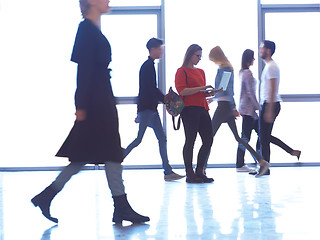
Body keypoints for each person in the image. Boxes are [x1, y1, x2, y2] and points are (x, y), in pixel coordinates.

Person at [31, 0, 149, 224]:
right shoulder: (85, 30)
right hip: (96, 105)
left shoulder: (91, 29)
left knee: (89, 156)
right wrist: (81, 108)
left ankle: (47, 196)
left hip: (100, 101)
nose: (108, 1)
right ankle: (120, 207)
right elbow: (83, 73)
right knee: (108, 154)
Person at [123, 38, 184, 181]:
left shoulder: (149, 66)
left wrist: (162, 99)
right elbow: (149, 89)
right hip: (148, 109)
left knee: (161, 138)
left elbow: (147, 90)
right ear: (153, 49)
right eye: (160, 48)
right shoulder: (147, 67)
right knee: (140, 139)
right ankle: (117, 159)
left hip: (150, 109)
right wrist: (164, 99)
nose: (161, 51)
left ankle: (168, 172)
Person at [207, 46, 269, 177]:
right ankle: (261, 161)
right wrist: (214, 98)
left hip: (223, 107)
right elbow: (224, 91)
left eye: (212, 59)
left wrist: (215, 97)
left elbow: (224, 90)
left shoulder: (225, 68)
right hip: (226, 105)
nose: (212, 61)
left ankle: (200, 168)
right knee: (239, 138)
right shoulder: (226, 68)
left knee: (209, 136)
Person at [236, 49, 301, 171]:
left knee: (262, 137)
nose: (254, 59)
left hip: (249, 111)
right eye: (253, 57)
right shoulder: (247, 73)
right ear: (248, 59)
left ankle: (264, 162)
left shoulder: (243, 72)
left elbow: (245, 94)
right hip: (249, 111)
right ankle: (241, 164)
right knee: (249, 138)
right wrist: (258, 108)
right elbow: (250, 94)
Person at [175, 44, 219, 183]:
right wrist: (202, 88)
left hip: (202, 107)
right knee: (190, 140)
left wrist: (209, 93)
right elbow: (182, 91)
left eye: (201, 56)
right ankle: (190, 173)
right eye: (197, 56)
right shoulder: (181, 71)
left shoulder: (201, 71)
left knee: (208, 140)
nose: (199, 58)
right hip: (188, 109)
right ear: (190, 55)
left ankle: (200, 171)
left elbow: (199, 92)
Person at [258, 40, 284, 175]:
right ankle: (264, 167)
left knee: (264, 137)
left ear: (268, 50)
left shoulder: (272, 66)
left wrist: (269, 110)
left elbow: (273, 89)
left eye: (261, 48)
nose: (259, 50)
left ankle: (265, 168)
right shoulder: (269, 66)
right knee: (264, 137)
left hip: (271, 104)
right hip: (267, 103)